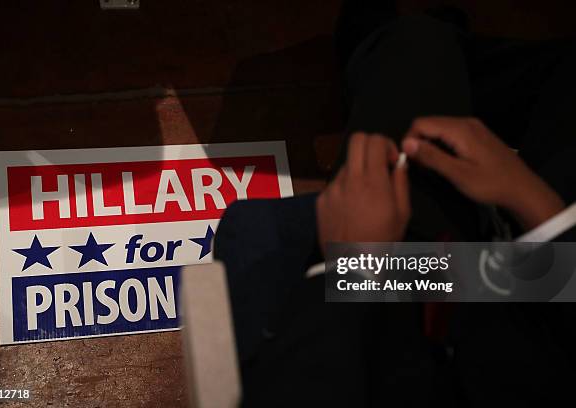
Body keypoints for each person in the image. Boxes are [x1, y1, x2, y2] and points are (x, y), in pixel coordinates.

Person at [214, 3, 576, 406]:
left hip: (430, 327)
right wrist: (535, 200)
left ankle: (393, 34)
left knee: (416, 47)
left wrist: (353, 265)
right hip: (548, 290)